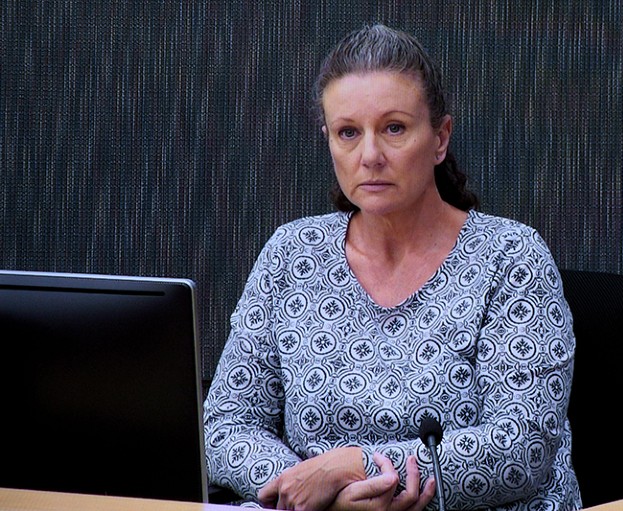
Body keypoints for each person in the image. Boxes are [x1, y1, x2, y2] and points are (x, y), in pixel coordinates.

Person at [204, 24, 581, 511]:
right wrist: (317, 494)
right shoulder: (291, 253)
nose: (370, 156)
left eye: (394, 128)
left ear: (440, 138)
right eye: (348, 133)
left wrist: (354, 467)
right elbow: (227, 423)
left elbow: (520, 450)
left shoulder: (511, 256)